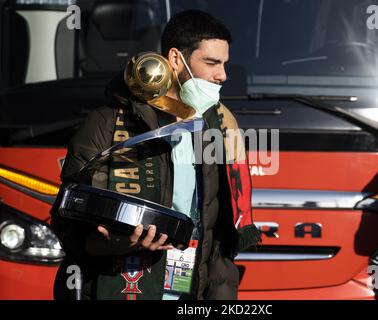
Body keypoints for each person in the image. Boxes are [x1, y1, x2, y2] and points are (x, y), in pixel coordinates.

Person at [51, 9, 260, 300]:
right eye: (211, 62)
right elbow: (65, 224)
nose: (223, 75)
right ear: (176, 59)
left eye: (224, 64)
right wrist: (113, 245)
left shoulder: (215, 128)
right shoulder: (106, 123)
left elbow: (216, 245)